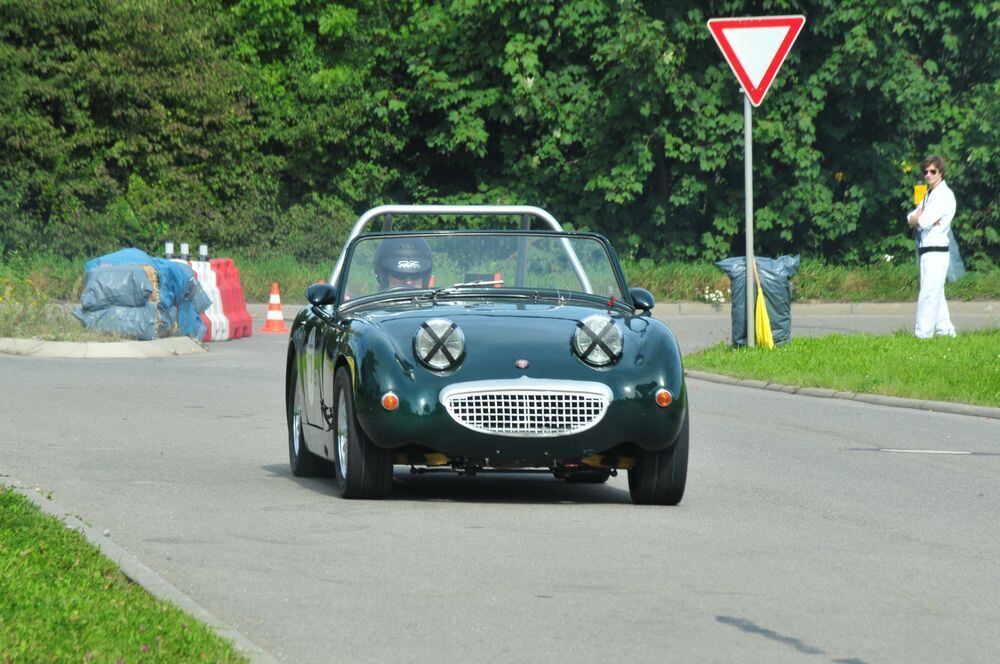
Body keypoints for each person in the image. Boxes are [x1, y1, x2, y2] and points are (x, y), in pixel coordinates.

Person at [906, 155, 957, 338]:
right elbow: (912, 217)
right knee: (936, 293)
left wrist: (919, 218)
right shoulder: (928, 194)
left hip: (937, 250)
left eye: (932, 171)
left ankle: (923, 334)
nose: (928, 174)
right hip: (926, 250)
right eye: (925, 171)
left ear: (940, 172)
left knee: (929, 294)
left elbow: (924, 221)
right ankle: (946, 330)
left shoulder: (944, 195)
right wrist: (917, 218)